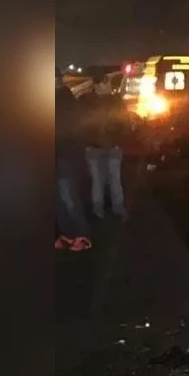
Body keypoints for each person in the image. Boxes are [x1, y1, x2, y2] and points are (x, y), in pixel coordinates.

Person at [55, 71, 92, 251]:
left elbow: (67, 129)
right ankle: (67, 236)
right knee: (57, 200)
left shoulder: (65, 100)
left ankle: (82, 236)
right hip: (56, 155)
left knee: (68, 197)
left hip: (65, 156)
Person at [83, 76, 130, 218]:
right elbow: (125, 122)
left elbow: (125, 122)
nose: (108, 85)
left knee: (109, 179)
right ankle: (109, 208)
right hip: (99, 147)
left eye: (108, 82)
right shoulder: (114, 101)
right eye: (105, 82)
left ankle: (108, 208)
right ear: (98, 85)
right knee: (104, 180)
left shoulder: (88, 101)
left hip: (101, 147)